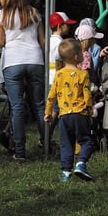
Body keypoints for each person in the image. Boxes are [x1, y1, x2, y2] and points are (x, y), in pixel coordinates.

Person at [0, 0, 46, 161]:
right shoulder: (33, 12)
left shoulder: (1, 14)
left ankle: (20, 151)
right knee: (39, 106)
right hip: (35, 60)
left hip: (13, 62)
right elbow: (42, 41)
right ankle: (46, 145)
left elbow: (0, 42)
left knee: (16, 107)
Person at [43, 38, 95, 181]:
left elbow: (51, 96)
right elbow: (87, 95)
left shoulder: (58, 74)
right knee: (87, 141)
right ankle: (81, 163)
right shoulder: (83, 74)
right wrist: (90, 112)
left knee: (66, 144)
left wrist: (48, 113)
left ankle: (66, 173)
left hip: (63, 116)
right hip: (80, 114)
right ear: (77, 56)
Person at [48, 11, 76, 85]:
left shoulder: (48, 41)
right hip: (58, 80)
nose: (69, 27)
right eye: (67, 25)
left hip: (48, 78)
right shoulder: (61, 43)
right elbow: (59, 63)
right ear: (60, 26)